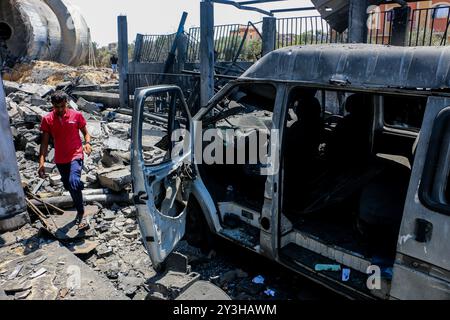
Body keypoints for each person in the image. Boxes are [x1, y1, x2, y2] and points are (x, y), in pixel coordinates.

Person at [38, 91, 92, 230]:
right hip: (60, 159)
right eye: (57, 107)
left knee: (74, 181)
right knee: (69, 187)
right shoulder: (47, 119)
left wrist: (87, 143)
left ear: (66, 103)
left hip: (76, 154)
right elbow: (44, 143)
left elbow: (85, 132)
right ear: (52, 105)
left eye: (62, 106)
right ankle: (78, 198)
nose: (60, 110)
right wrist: (42, 163)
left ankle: (81, 212)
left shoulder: (76, 115)